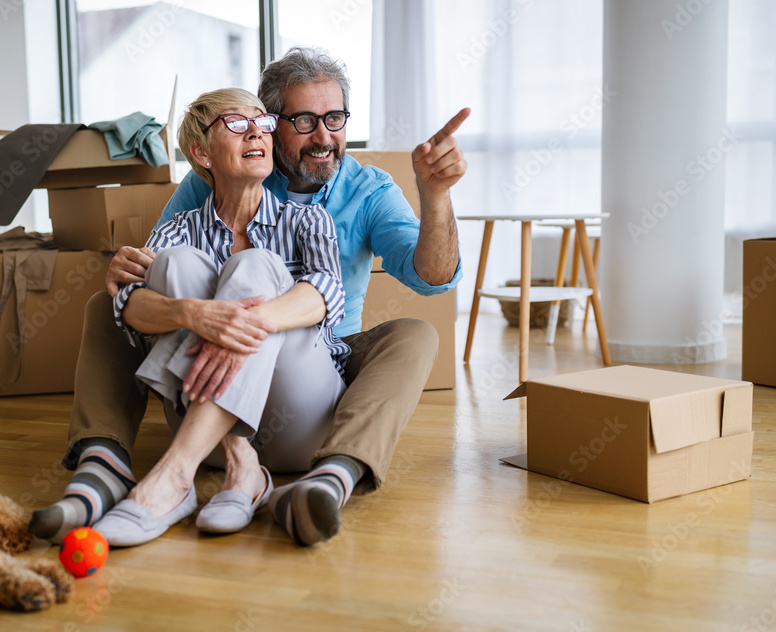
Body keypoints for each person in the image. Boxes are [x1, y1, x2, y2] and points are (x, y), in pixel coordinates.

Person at [30, 46, 467, 547]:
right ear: (273, 123)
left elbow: (432, 278)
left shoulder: (360, 193)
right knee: (109, 305)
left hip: (317, 364)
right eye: (303, 120)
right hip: (205, 379)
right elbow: (153, 274)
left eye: (335, 118)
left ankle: (330, 474)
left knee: (413, 332)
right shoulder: (215, 180)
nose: (324, 136)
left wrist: (435, 196)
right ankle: (103, 463)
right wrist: (176, 302)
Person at [84, 87, 349, 546]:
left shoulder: (308, 221)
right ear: (200, 153)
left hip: (298, 418)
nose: (257, 133)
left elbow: (326, 294)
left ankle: (172, 477)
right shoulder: (176, 229)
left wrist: (247, 321)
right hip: (204, 430)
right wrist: (195, 313)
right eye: (236, 123)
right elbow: (128, 306)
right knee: (174, 265)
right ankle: (242, 465)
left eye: (263, 123)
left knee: (255, 265)